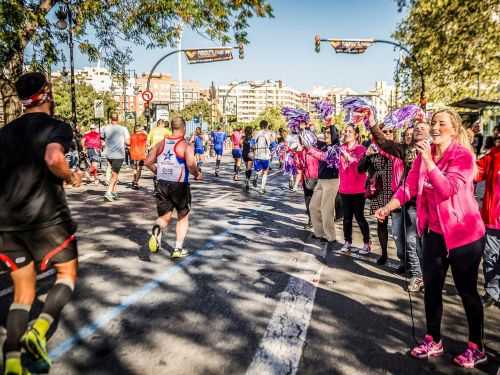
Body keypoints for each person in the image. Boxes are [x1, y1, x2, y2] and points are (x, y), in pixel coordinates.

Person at [375, 109, 487, 369]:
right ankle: (433, 340)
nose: (435, 127)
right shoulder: (423, 158)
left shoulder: (462, 156)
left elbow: (447, 189)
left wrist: (429, 160)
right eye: (433, 122)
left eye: (441, 124)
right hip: (435, 234)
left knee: (467, 291)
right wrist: (389, 207)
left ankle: (476, 346)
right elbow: (408, 187)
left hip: (465, 235)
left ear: (454, 129)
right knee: (432, 289)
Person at [0, 72, 81, 375]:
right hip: (47, 220)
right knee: (67, 274)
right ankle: (40, 329)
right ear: (46, 93)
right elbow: (53, 157)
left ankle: (10, 359)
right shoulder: (57, 127)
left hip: (8, 224)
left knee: (22, 293)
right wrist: (71, 175)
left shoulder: (4, 133)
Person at [368, 120, 430, 291]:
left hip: (425, 205)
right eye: (414, 129)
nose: (417, 131)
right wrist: (372, 123)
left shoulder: (436, 151)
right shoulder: (406, 151)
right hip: (404, 201)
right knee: (403, 238)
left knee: (419, 242)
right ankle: (411, 268)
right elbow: (383, 143)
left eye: (422, 128)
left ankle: (422, 275)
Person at [145, 116, 202, 258]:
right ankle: (177, 249)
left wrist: (157, 171)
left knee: (164, 217)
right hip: (179, 185)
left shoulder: (160, 143)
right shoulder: (185, 145)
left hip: (162, 183)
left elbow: (147, 161)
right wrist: (197, 174)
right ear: (183, 128)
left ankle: (157, 228)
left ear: (171, 127)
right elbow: (190, 164)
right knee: (183, 216)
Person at [358, 127, 395, 263]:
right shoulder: (373, 149)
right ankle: (384, 254)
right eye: (384, 131)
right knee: (381, 224)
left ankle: (404, 259)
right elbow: (360, 169)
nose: (387, 134)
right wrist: (366, 155)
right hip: (378, 191)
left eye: (390, 131)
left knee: (397, 228)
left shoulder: (398, 149)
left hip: (396, 192)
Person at [337, 124, 371, 254]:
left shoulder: (361, 149)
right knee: (346, 218)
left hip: (358, 191)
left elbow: (361, 169)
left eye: (350, 131)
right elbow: (325, 157)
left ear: (356, 135)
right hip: (344, 190)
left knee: (359, 217)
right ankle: (347, 242)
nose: (346, 133)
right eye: (345, 130)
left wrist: (349, 158)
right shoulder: (340, 149)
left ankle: (367, 243)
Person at [475, 134, 500, 308]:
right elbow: (475, 172)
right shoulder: (494, 155)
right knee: (490, 256)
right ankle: (492, 290)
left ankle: (494, 290)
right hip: (493, 218)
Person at [306, 122, 341, 244]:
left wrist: (330, 123)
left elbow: (324, 155)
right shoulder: (322, 145)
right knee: (313, 206)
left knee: (327, 210)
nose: (325, 135)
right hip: (321, 181)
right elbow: (309, 139)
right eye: (324, 132)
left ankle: (330, 236)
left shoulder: (336, 146)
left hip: (332, 181)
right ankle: (319, 232)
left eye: (328, 133)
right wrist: (303, 127)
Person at [102, 113, 130, 201]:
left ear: (111, 119)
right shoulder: (123, 129)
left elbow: (102, 138)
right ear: (118, 119)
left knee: (114, 172)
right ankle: (108, 192)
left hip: (108, 153)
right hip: (118, 154)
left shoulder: (105, 128)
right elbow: (128, 142)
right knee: (115, 174)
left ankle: (114, 192)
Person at [252, 120, 274, 194]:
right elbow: (273, 144)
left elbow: (252, 144)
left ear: (260, 125)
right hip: (265, 155)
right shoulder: (269, 134)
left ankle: (256, 175)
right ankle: (262, 188)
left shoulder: (256, 133)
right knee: (265, 172)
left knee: (259, 170)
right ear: (267, 126)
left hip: (257, 154)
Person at [129, 125, 148, 189]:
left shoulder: (132, 136)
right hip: (141, 154)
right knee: (139, 169)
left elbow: (128, 143)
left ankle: (134, 180)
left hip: (133, 154)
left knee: (135, 168)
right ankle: (136, 182)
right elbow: (147, 144)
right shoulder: (144, 136)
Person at [241, 126, 255, 192]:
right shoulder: (252, 139)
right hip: (250, 154)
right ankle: (248, 181)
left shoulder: (243, 138)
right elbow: (253, 147)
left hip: (244, 154)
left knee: (247, 167)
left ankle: (247, 179)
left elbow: (240, 143)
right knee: (249, 168)